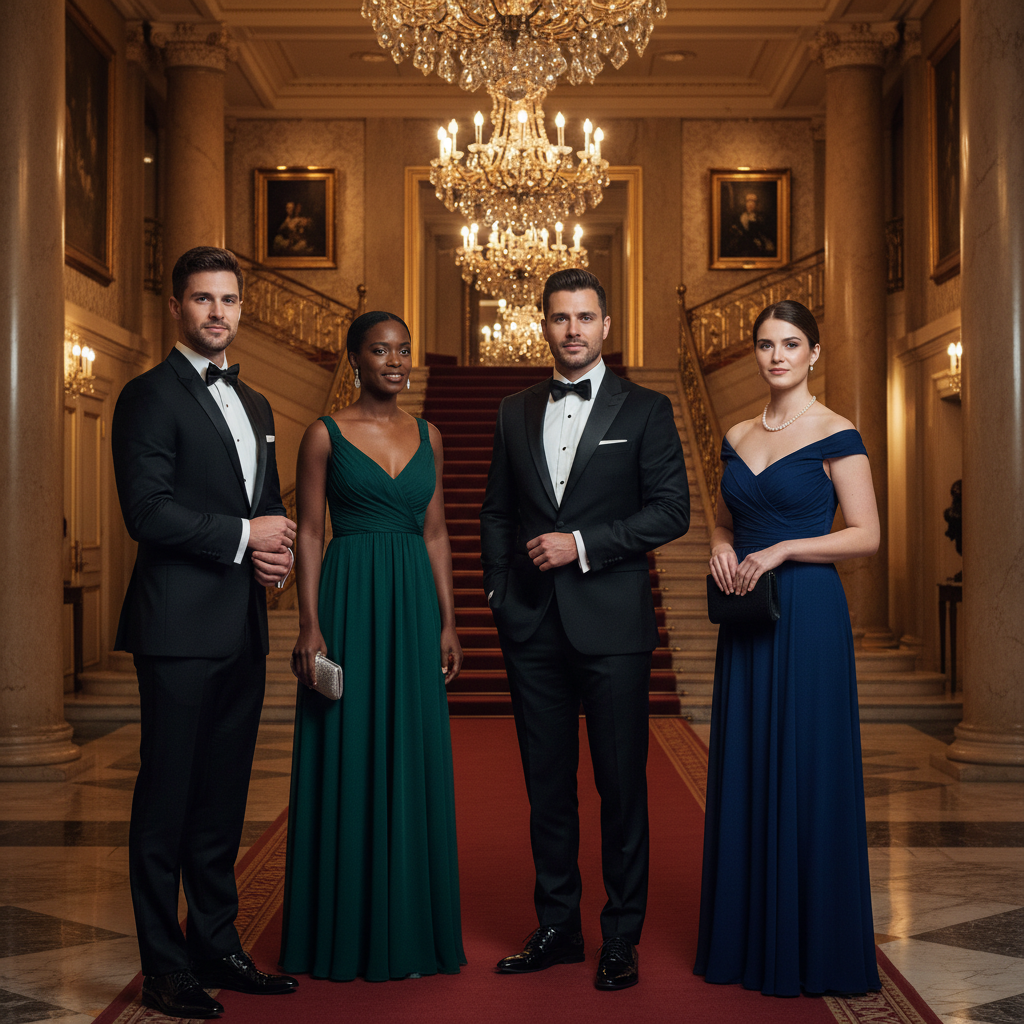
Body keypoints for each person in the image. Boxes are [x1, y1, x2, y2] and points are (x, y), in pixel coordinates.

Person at [480, 269, 690, 991]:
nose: (573, 330)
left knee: (621, 786)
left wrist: (583, 544)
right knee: (547, 786)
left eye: (585, 317)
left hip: (614, 626)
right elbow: (497, 511)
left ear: (606, 325)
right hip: (532, 623)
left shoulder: (649, 408)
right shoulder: (513, 409)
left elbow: (671, 511)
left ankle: (621, 936)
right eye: (560, 317)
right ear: (543, 324)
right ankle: (557, 926)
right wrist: (499, 593)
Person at [112, 246, 299, 1018]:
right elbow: (147, 511)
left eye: (228, 300)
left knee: (223, 800)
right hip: (177, 630)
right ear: (176, 306)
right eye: (202, 299)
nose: (217, 313)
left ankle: (216, 944)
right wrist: (246, 537)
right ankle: (165, 967)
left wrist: (276, 558)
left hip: (241, 628)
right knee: (167, 802)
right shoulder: (147, 396)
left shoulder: (257, 405)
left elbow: (269, 505)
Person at [695, 299, 881, 997]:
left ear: (814, 353)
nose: (777, 356)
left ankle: (813, 944)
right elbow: (723, 521)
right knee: (748, 763)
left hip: (807, 614)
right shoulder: (736, 433)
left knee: (807, 765)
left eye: (792, 343)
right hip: (748, 612)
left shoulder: (837, 432)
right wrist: (721, 548)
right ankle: (748, 936)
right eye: (767, 344)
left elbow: (866, 534)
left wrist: (782, 550)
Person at [281, 310, 466, 981]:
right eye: (381, 350)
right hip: (350, 597)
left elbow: (436, 532)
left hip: (413, 602)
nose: (396, 362)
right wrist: (309, 622)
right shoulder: (323, 434)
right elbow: (308, 531)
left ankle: (411, 924)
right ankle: (344, 927)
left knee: (411, 748)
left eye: (404, 350)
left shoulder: (429, 434)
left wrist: (448, 620)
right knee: (348, 746)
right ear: (355, 359)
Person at [723, 190, 776, 259]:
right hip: (741, 247)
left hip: (757, 248)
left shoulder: (761, 218)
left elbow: (765, 235)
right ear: (745, 203)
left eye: (753, 201)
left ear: (757, 204)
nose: (750, 204)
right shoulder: (739, 216)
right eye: (748, 201)